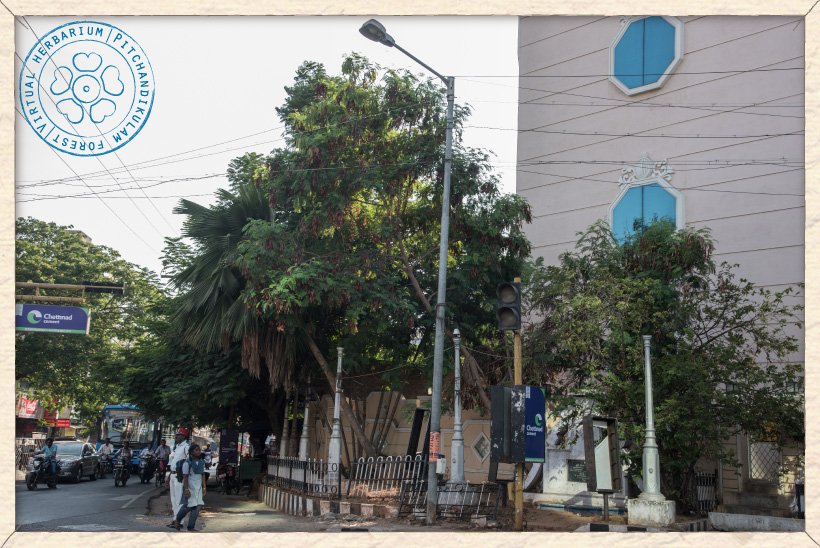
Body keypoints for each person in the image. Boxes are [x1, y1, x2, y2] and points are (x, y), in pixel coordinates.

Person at [173, 443, 206, 532]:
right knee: (188, 506)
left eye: (199, 450)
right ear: (191, 452)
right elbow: (185, 477)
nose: (198, 452)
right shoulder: (187, 463)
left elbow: (202, 475)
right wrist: (186, 489)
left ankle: (191, 527)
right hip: (190, 487)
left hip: (198, 487)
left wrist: (204, 487)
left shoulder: (201, 462)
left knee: (198, 506)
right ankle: (177, 520)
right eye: (196, 450)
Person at [166, 428, 190, 528]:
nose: (176, 437)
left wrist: (185, 477)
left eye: (178, 435)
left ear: (183, 436)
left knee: (179, 499)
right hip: (172, 474)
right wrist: (168, 477)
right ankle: (175, 519)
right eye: (176, 435)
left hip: (179, 476)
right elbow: (172, 462)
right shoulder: (176, 447)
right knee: (173, 499)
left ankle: (179, 521)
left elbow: (189, 462)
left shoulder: (186, 447)